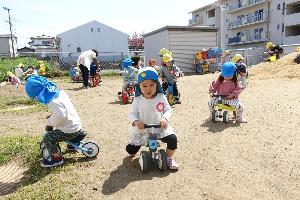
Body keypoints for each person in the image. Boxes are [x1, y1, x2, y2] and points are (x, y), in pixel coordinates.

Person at [25, 75, 85, 167]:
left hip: (69, 129)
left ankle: (57, 159)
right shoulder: (60, 93)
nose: (38, 100)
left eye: (37, 97)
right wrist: (52, 115)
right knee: (55, 131)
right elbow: (62, 110)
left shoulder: (53, 102)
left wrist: (50, 122)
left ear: (41, 94)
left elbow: (60, 116)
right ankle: (73, 142)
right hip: (74, 123)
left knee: (48, 138)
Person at [126, 67, 179, 170]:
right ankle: (133, 150)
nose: (148, 89)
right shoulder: (138, 100)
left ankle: (169, 158)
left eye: (152, 85)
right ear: (139, 87)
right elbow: (132, 114)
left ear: (157, 85)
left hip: (159, 127)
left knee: (172, 139)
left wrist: (164, 118)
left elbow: (168, 109)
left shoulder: (161, 97)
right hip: (143, 129)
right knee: (131, 149)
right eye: (144, 86)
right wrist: (136, 121)